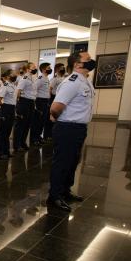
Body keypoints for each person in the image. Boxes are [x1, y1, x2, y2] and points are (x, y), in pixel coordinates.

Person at [47, 51, 95, 212]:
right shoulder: (72, 82)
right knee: (62, 163)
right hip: (68, 128)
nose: (91, 61)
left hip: (79, 128)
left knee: (73, 161)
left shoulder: (85, 81)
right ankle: (55, 196)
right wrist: (58, 118)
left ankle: (65, 191)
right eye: (87, 59)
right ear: (77, 64)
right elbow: (55, 107)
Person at [13, 62, 37, 151]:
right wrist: (16, 105)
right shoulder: (25, 78)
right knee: (20, 124)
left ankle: (23, 142)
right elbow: (18, 91)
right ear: (27, 69)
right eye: (33, 67)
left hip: (31, 102)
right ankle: (17, 145)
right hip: (24, 102)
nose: (35, 68)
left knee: (27, 124)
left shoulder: (32, 78)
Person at [0, 69, 18, 160]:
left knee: (8, 132)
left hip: (12, 109)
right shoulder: (5, 85)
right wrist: (5, 107)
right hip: (5, 109)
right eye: (13, 74)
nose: (15, 75)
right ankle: (0, 153)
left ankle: (6, 151)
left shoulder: (13, 85)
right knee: (2, 133)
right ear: (8, 76)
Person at [30, 63, 52, 146]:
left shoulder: (46, 78)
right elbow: (34, 89)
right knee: (37, 121)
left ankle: (38, 136)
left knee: (42, 121)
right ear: (43, 69)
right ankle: (34, 139)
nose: (50, 69)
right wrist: (35, 102)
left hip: (45, 101)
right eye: (48, 67)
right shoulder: (40, 78)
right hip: (40, 101)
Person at [46, 63, 66, 141]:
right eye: (61, 68)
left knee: (59, 117)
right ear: (57, 69)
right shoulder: (54, 79)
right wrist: (50, 99)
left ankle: (57, 134)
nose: (63, 69)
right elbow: (50, 89)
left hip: (61, 98)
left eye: (63, 67)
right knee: (51, 118)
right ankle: (48, 135)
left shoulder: (64, 78)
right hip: (54, 98)